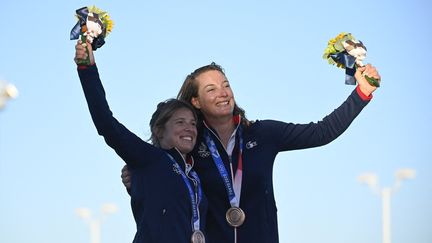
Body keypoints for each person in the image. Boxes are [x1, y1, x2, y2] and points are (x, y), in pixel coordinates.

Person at [121, 60, 381, 243]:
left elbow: (322, 132)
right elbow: (162, 178)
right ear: (196, 102)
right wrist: (135, 177)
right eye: (211, 89)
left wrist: (362, 93)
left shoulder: (263, 134)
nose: (223, 93)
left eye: (226, 85)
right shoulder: (190, 145)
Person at [74, 40, 208, 243]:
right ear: (159, 130)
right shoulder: (149, 159)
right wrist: (87, 69)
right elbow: (106, 123)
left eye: (192, 123)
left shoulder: (194, 175)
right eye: (180, 122)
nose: (189, 128)